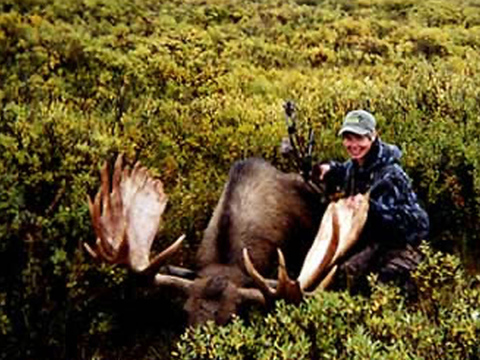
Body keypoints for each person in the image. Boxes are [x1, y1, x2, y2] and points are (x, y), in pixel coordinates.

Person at [315, 109, 429, 296]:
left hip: (398, 245)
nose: (353, 145)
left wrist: (370, 208)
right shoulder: (356, 165)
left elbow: (418, 224)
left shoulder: (392, 175)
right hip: (369, 240)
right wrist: (329, 170)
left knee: (371, 280)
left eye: (360, 139)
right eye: (348, 139)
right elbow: (344, 170)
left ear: (373, 136)